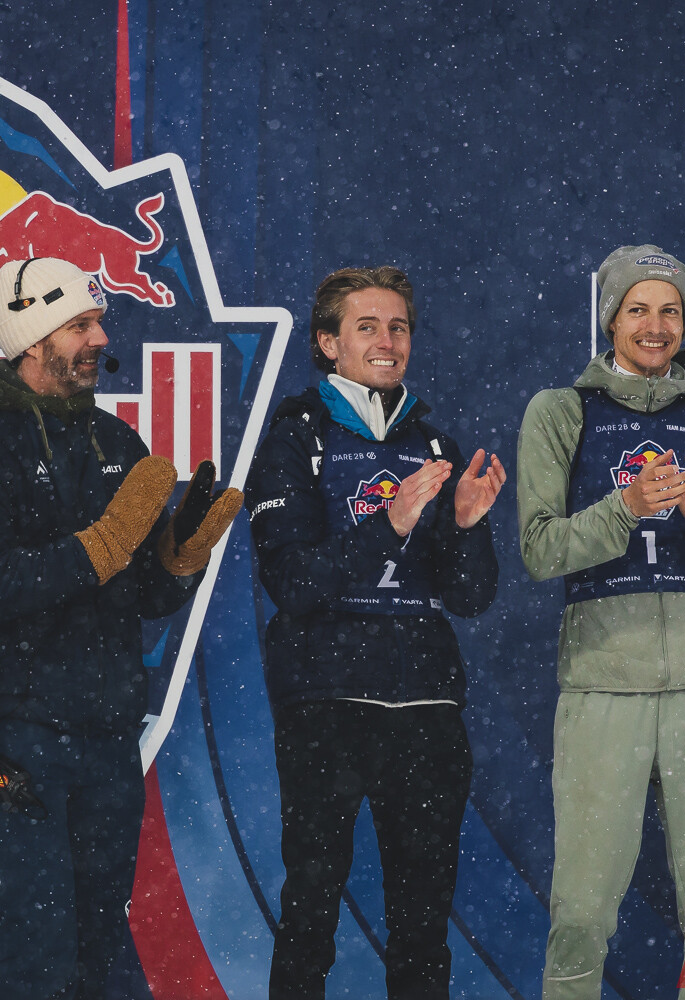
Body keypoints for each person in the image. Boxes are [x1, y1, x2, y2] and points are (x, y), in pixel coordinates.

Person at [0, 257, 241, 1000]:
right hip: (16, 728)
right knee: (40, 947)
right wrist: (99, 547)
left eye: (98, 322)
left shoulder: (117, 442)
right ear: (32, 340)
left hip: (107, 728)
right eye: (80, 325)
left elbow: (143, 595)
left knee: (98, 945)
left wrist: (180, 558)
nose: (100, 338)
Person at [516, 245, 685, 1000]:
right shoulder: (561, 412)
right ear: (610, 319)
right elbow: (540, 549)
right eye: (637, 308)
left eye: (671, 310)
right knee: (581, 911)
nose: (655, 325)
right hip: (603, 687)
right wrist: (625, 508)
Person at [245, 266, 506, 1000]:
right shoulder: (294, 438)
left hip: (426, 707)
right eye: (367, 327)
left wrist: (466, 526)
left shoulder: (435, 441)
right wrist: (387, 525)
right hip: (326, 705)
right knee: (310, 912)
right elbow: (294, 585)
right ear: (328, 343)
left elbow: (471, 596)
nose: (387, 342)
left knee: (423, 926)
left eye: (398, 327)